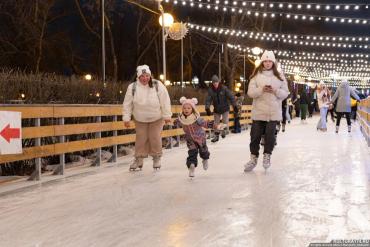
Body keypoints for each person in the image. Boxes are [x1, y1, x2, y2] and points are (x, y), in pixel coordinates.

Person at [245, 50, 289, 172]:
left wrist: (275, 91)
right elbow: (250, 92)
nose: (268, 63)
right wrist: (261, 90)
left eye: (270, 61)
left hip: (273, 113)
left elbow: (285, 93)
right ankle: (253, 158)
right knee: (254, 137)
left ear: (273, 62)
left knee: (270, 137)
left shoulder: (280, 77)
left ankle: (267, 156)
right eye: (265, 61)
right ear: (262, 62)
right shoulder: (256, 76)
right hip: (259, 112)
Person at [123, 65, 172, 171]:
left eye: (147, 76)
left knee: (154, 136)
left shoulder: (157, 84)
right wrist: (126, 118)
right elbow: (127, 103)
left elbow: (165, 100)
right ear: (138, 77)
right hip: (140, 118)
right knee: (141, 138)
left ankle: (156, 158)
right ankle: (139, 159)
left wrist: (167, 115)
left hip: (156, 117)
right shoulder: (133, 87)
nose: (145, 78)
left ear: (150, 75)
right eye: (142, 76)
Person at [174, 97, 223, 177]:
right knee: (192, 153)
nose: (186, 110)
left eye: (189, 108)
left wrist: (216, 126)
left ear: (192, 109)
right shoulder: (181, 119)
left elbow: (206, 124)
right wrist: (170, 122)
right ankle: (191, 166)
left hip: (200, 138)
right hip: (190, 140)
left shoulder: (197, 119)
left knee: (204, 151)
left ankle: (205, 159)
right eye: (185, 108)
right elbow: (176, 123)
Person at [205, 75, 237, 142]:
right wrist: (207, 108)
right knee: (216, 123)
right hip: (216, 109)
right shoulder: (211, 90)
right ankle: (216, 136)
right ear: (212, 83)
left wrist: (235, 106)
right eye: (214, 83)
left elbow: (231, 97)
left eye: (216, 82)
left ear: (218, 82)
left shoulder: (224, 88)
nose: (215, 84)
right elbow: (208, 100)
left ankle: (223, 131)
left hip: (225, 108)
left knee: (225, 122)